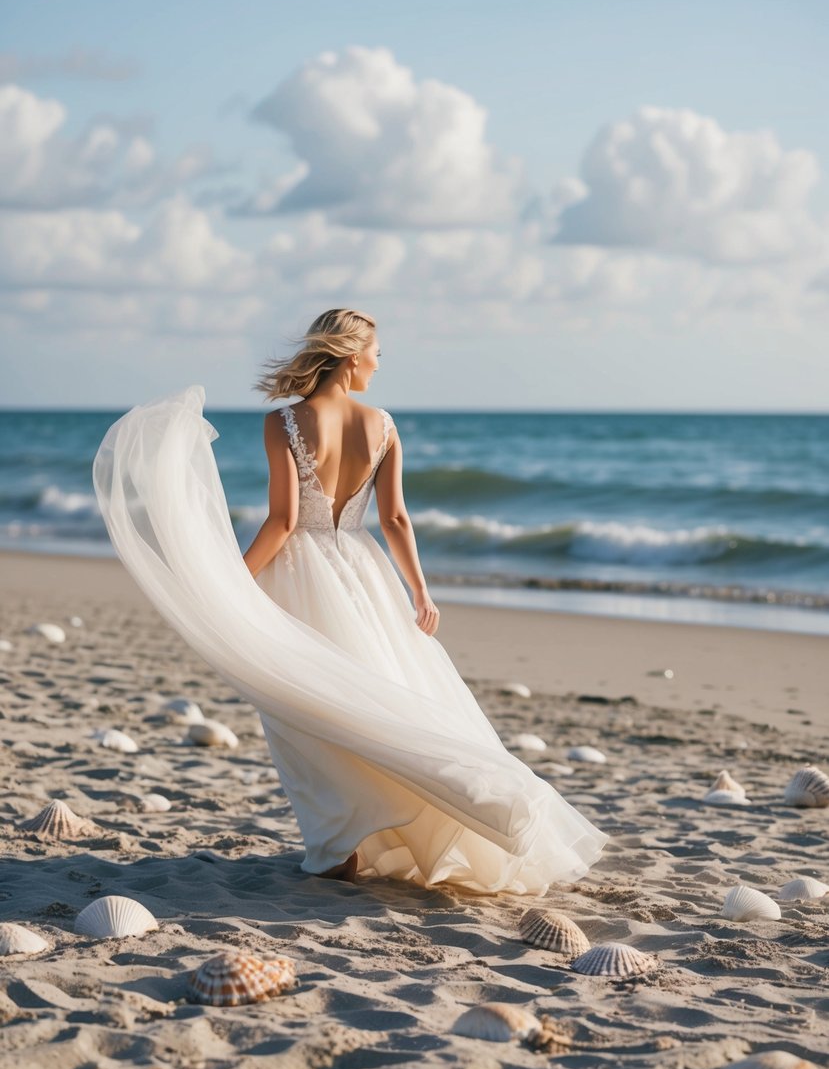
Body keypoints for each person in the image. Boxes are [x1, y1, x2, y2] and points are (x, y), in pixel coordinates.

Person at [92, 308, 607, 895]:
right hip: (365, 573)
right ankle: (366, 837)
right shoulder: (382, 425)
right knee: (379, 697)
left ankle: (338, 846)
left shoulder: (285, 422)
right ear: (351, 354)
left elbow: (284, 521)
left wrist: (235, 581)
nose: (380, 363)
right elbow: (395, 518)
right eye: (377, 352)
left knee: (311, 712)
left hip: (300, 574)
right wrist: (419, 590)